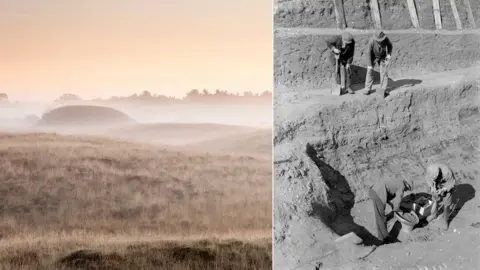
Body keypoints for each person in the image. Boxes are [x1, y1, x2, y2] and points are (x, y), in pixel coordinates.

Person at [369, 178, 413, 244]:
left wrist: (394, 207)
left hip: (374, 191)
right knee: (382, 217)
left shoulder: (397, 182)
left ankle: (381, 238)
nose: (406, 190)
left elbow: (391, 199)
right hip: (378, 193)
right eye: (407, 189)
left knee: (379, 217)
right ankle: (386, 239)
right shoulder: (402, 186)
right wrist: (399, 212)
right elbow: (397, 202)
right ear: (407, 185)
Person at [424, 164, 456, 231]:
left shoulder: (447, 172)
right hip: (436, 185)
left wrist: (443, 189)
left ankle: (445, 221)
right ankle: (434, 215)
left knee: (446, 204)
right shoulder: (430, 170)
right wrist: (432, 187)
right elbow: (427, 178)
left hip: (446, 185)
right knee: (434, 199)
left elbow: (452, 183)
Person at [364, 30, 393, 97]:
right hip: (373, 56)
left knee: (384, 72)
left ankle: (383, 88)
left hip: (382, 56)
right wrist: (369, 65)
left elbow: (390, 46)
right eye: (379, 40)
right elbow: (368, 53)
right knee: (369, 71)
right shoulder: (371, 41)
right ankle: (367, 88)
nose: (380, 41)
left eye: (381, 40)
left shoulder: (386, 39)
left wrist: (388, 55)